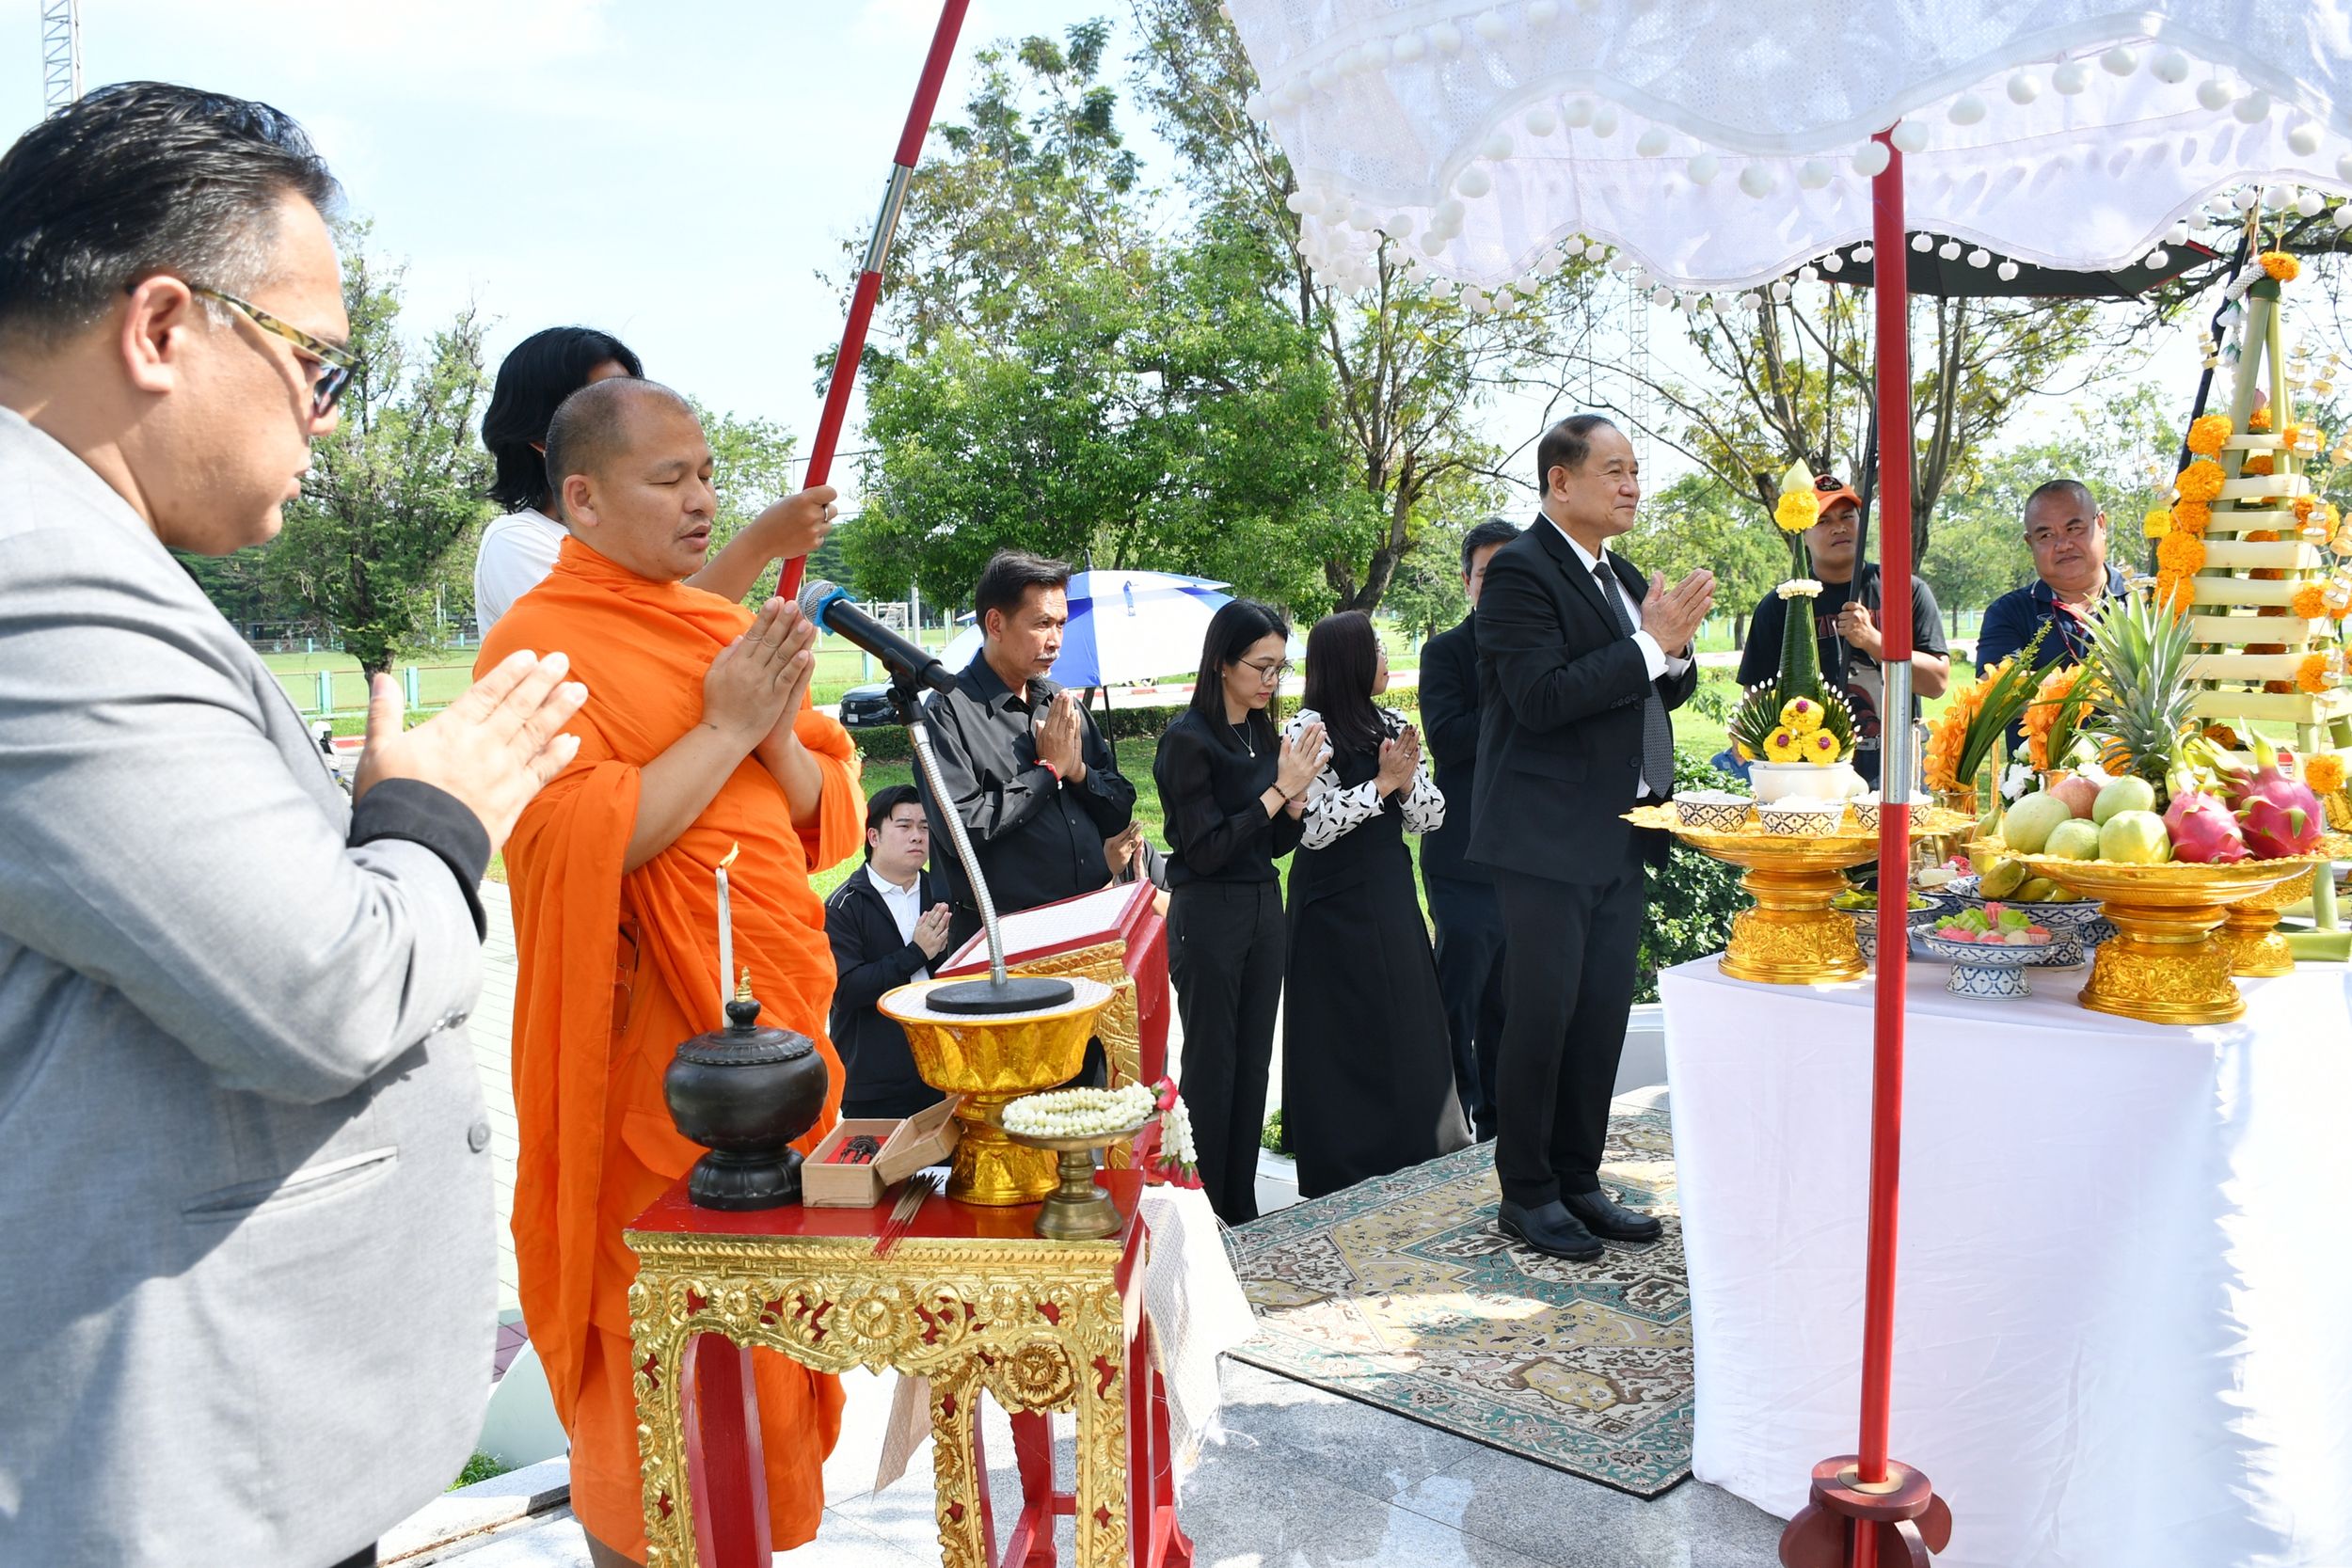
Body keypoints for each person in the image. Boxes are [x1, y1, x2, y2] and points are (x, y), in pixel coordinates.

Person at [0, 83, 584, 1568]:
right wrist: (434, 816)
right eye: (319, 365)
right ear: (160, 329)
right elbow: (323, 988)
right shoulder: (37, 574)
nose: (326, 421)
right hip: (164, 1471)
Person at [482, 377, 865, 1567]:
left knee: (761, 1347)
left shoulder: (709, 625)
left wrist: (763, 723)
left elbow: (826, 818)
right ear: (583, 497)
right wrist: (721, 725)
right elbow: (565, 836)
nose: (703, 502)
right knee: (651, 1343)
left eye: (707, 474)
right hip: (653, 1056)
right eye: (670, 480)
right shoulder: (536, 646)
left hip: (776, 1030)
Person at [1472, 415, 1712, 1262]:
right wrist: (1652, 643)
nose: (1631, 486)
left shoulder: (1622, 575)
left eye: (1636, 471)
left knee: (1600, 1016)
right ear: (1559, 481)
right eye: (1613, 470)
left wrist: (1672, 655)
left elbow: (1645, 693)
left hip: (1623, 831)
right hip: (1545, 837)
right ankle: (1527, 1191)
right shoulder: (1521, 575)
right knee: (1543, 1016)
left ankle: (1578, 1177)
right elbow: (1541, 697)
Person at [472, 324, 838, 635]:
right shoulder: (517, 541)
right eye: (605, 404)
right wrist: (761, 543)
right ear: (542, 438)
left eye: (704, 476)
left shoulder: (637, 553)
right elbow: (637, 641)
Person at [1281, 611, 1470, 1200]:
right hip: (1329, 899)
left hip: (1388, 890)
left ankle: (1421, 1142)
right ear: (1350, 660)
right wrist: (1382, 787)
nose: (1386, 660)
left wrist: (1407, 783)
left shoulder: (1393, 721)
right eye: (1377, 649)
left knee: (1407, 1014)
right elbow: (1312, 826)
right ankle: (1344, 1162)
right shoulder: (1306, 729)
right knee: (1342, 1028)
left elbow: (1432, 817)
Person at [1152, 599, 1321, 1223]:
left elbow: (1269, 843)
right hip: (1208, 911)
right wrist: (1278, 791)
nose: (1271, 680)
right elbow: (1206, 847)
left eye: (1280, 667)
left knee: (1253, 1061)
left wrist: (1295, 804)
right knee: (1211, 1063)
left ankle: (1239, 1204)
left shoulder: (1260, 731)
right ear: (1223, 662)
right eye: (1262, 666)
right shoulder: (1187, 739)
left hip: (1260, 905)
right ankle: (1198, 1209)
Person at [917, 550, 1136, 953]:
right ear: (996, 623)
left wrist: (1078, 774)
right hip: (1003, 940)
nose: (1055, 640)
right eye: (1041, 624)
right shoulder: (948, 712)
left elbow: (1119, 804)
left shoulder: (1058, 702)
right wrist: (1047, 772)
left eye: (1061, 624)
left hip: (1087, 921)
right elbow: (961, 830)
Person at [1734, 472, 1950, 788]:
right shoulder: (1782, 604)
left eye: (1848, 516)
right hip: (1811, 773)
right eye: (1823, 520)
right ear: (1802, 532)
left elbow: (1937, 683)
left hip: (1896, 763)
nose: (1839, 527)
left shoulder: (1905, 590)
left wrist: (1875, 642)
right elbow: (1756, 701)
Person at [1419, 516, 1521, 1141]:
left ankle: (1504, 1125)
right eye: (1489, 573)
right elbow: (1450, 740)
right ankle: (1452, 1128)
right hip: (1460, 858)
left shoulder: (1540, 645)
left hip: (1523, 858)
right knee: (1458, 1004)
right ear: (1467, 581)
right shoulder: (1445, 653)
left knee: (1511, 1005)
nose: (1501, 585)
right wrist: (1514, 702)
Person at [825, 784, 953, 1121]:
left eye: (925, 827)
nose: (917, 836)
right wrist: (916, 953)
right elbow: (847, 990)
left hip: (944, 1069)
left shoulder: (943, 892)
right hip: (875, 1081)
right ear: (874, 836)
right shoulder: (844, 906)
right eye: (904, 825)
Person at [1975, 479, 2129, 673]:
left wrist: (2038, 682)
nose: (2063, 545)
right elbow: (1996, 684)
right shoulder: (2009, 611)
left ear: (2101, 525)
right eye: (2046, 535)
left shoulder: (2147, 597)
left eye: (2074, 529)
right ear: (2030, 542)